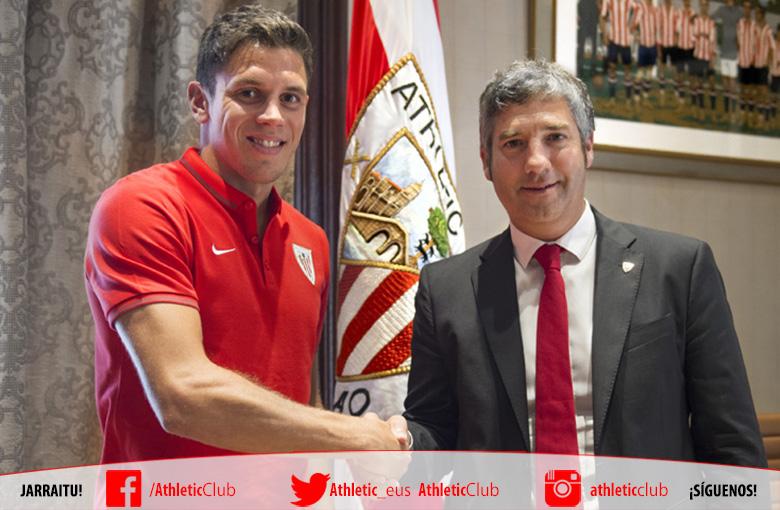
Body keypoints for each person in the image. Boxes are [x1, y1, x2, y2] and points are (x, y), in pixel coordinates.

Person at [403, 59, 767, 467]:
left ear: (588, 147)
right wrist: (397, 441)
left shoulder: (679, 270)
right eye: (513, 144)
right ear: (486, 163)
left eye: (555, 138)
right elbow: (433, 430)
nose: (536, 162)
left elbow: (732, 447)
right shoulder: (446, 290)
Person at [85, 4, 408, 463]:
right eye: (250, 93)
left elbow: (300, 405)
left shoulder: (310, 239)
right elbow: (183, 395)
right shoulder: (141, 207)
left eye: (290, 98)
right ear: (200, 101)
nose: (273, 116)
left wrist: (357, 461)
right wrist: (351, 435)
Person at [713, 0, 742, 121]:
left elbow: (743, 27)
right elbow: (711, 19)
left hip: (734, 53)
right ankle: (726, 112)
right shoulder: (721, 10)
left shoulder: (739, 12)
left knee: (733, 84)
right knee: (725, 84)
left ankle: (733, 113)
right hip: (724, 52)